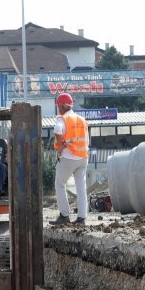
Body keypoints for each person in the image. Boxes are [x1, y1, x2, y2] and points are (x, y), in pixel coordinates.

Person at [52, 93, 89, 225]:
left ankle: (64, 215)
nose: (58, 109)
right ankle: (81, 218)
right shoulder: (82, 119)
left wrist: (60, 147)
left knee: (60, 184)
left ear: (62, 105)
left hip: (68, 157)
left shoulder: (63, 118)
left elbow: (57, 130)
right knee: (81, 188)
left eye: (58, 106)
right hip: (83, 157)